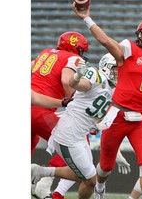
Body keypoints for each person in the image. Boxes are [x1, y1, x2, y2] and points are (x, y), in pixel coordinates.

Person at [71, 2, 142, 199]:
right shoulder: (129, 49)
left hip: (141, 119)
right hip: (118, 114)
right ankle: (100, 188)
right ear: (138, 35)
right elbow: (105, 41)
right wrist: (87, 19)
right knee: (105, 166)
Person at [31, 53, 131, 199]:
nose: (118, 72)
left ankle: (39, 171)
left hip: (80, 136)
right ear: (106, 67)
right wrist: (77, 76)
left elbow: (106, 123)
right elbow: (77, 85)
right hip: (68, 135)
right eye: (115, 68)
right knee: (90, 180)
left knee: (88, 178)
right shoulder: (97, 75)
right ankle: (40, 172)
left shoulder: (115, 90)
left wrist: (117, 153)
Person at [31, 31, 89, 198]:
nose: (82, 55)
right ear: (75, 48)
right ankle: (44, 183)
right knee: (76, 140)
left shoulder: (45, 53)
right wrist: (74, 99)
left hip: (30, 104)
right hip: (41, 110)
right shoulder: (72, 58)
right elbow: (66, 80)